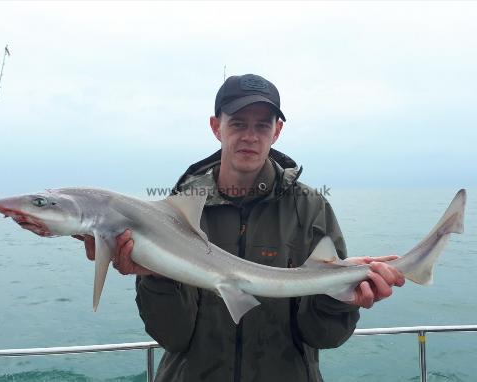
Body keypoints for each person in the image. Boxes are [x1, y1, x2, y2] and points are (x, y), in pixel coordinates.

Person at [77, 74, 405, 382]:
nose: (250, 136)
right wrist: (156, 277)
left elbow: (323, 337)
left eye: (262, 126)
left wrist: (341, 295)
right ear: (216, 126)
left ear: (276, 132)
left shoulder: (310, 209)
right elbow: (173, 336)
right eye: (237, 124)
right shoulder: (180, 210)